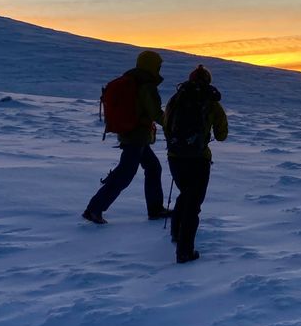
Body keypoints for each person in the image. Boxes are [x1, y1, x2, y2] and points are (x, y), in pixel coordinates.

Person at [82, 50, 173, 224]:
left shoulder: (133, 79)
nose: (160, 69)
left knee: (153, 168)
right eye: (158, 65)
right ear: (151, 66)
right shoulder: (146, 85)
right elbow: (155, 112)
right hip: (136, 136)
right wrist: (173, 124)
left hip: (132, 134)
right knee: (125, 174)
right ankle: (94, 209)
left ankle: (155, 209)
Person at [164, 64, 228, 263]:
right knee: (193, 204)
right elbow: (222, 134)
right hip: (199, 159)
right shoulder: (211, 102)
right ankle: (185, 251)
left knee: (186, 194)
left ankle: (176, 233)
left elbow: (166, 125)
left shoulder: (176, 99)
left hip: (175, 156)